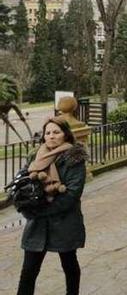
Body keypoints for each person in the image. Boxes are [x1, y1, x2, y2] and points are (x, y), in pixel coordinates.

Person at [16, 117, 87, 295]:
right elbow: (22, 184)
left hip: (65, 221)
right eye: (48, 133)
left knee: (69, 264)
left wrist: (41, 211)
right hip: (37, 224)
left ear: (65, 135)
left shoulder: (74, 158)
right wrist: (25, 205)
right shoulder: (35, 156)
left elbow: (72, 193)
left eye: (56, 132)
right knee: (28, 271)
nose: (51, 136)